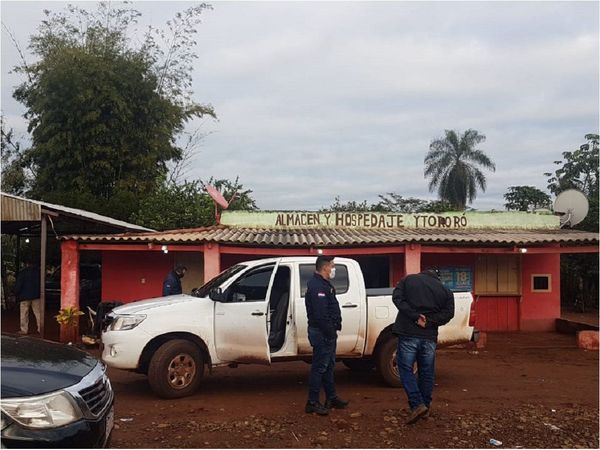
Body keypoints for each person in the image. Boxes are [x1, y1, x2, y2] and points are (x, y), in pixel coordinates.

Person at [392, 268, 454, 424]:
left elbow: (397, 298)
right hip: (429, 336)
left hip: (408, 333)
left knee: (405, 369)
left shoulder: (408, 280)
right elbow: (448, 314)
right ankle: (425, 407)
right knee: (427, 372)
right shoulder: (445, 290)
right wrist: (430, 321)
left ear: (422, 274)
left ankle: (417, 404)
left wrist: (415, 316)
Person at [304, 255, 349, 415]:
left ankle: (331, 397)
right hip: (322, 333)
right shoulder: (317, 286)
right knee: (320, 367)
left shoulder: (323, 284)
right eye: (332, 266)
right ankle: (312, 402)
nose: (333, 269)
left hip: (327, 332)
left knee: (328, 366)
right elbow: (320, 315)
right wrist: (330, 332)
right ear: (325, 268)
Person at [15, 260, 41, 335]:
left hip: (24, 296)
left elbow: (19, 285)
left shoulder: (23, 272)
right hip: (36, 295)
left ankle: (24, 330)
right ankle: (40, 329)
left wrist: (16, 293)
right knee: (38, 313)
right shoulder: (39, 272)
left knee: (24, 313)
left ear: (27, 264)